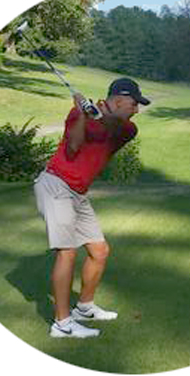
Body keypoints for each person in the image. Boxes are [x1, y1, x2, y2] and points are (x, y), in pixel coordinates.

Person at [34, 78, 150, 338]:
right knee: (67, 253)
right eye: (134, 104)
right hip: (55, 185)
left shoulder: (129, 129)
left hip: (78, 192)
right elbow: (74, 147)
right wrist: (83, 115)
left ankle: (84, 307)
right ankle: (62, 325)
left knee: (99, 251)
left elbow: (112, 126)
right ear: (118, 100)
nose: (136, 110)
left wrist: (94, 114)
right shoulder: (79, 113)